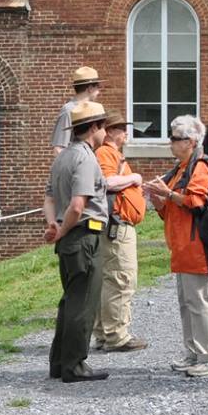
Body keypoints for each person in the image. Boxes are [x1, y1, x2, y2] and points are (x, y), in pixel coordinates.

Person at [139, 113, 208, 376]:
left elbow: (196, 202)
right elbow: (173, 210)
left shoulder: (200, 166)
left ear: (190, 141)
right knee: (187, 302)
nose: (171, 144)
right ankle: (194, 352)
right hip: (182, 245)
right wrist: (159, 200)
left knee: (198, 302)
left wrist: (168, 194)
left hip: (196, 244)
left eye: (175, 139)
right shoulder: (180, 168)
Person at [43, 99, 110, 383]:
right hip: (83, 235)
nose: (105, 132)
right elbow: (77, 206)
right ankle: (75, 365)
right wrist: (64, 229)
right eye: (103, 126)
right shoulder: (84, 157)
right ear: (93, 127)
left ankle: (59, 362)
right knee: (83, 303)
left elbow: (48, 198)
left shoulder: (63, 157)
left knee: (70, 301)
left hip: (70, 237)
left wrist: (53, 225)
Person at [93, 113, 148, 353]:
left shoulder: (112, 154)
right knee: (121, 279)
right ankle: (116, 335)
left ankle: (105, 333)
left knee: (111, 279)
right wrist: (134, 178)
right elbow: (106, 182)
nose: (126, 133)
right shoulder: (106, 153)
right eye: (123, 129)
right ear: (111, 131)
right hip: (118, 225)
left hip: (118, 224)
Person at [52, 66, 101, 155]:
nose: (99, 91)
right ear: (90, 88)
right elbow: (59, 149)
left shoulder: (91, 109)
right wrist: (75, 167)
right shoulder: (68, 110)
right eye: (98, 86)